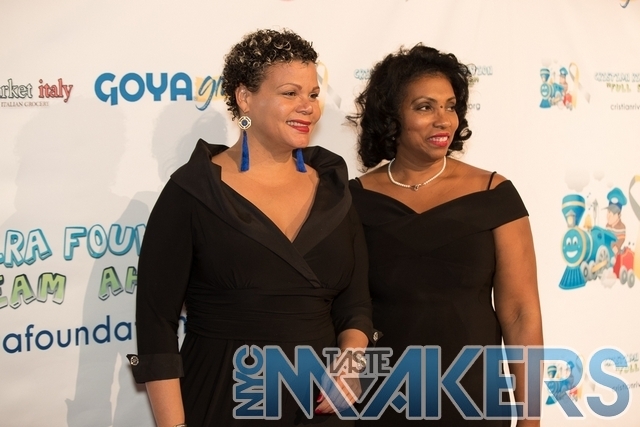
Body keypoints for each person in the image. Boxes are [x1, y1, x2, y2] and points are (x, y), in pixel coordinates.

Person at [128, 28, 373, 427]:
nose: (308, 107)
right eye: (290, 93)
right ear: (245, 98)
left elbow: (356, 304)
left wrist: (349, 364)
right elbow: (156, 325)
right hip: (224, 396)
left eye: (313, 94)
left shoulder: (334, 188)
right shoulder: (193, 191)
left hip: (320, 404)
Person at [347, 44, 543, 426]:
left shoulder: (494, 194)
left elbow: (521, 313)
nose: (443, 120)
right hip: (381, 398)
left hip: (474, 396)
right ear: (392, 117)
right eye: (425, 107)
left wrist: (530, 417)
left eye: (450, 106)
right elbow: (345, 309)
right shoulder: (355, 199)